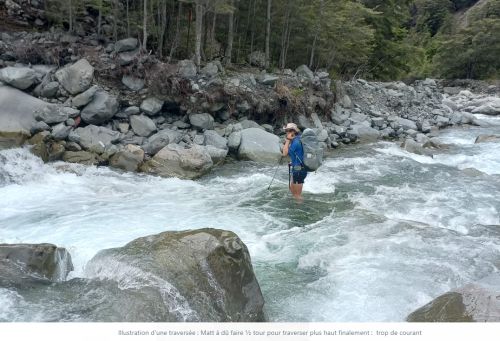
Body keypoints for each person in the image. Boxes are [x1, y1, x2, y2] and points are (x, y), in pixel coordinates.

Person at [282, 122, 307, 201]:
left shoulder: (295, 142)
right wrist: (292, 163)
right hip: (299, 168)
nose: (286, 133)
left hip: (299, 169)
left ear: (293, 131)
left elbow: (284, 153)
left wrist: (287, 140)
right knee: (293, 191)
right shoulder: (299, 139)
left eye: (288, 131)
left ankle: (300, 210)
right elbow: (298, 154)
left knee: (297, 196)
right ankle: (297, 207)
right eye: (286, 131)